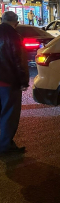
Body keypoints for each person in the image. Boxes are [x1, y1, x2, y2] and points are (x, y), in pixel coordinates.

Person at [0, 11, 29, 155]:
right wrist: (23, 81)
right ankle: (5, 146)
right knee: (9, 114)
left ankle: (5, 143)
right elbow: (19, 62)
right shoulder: (14, 36)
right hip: (8, 82)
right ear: (15, 23)